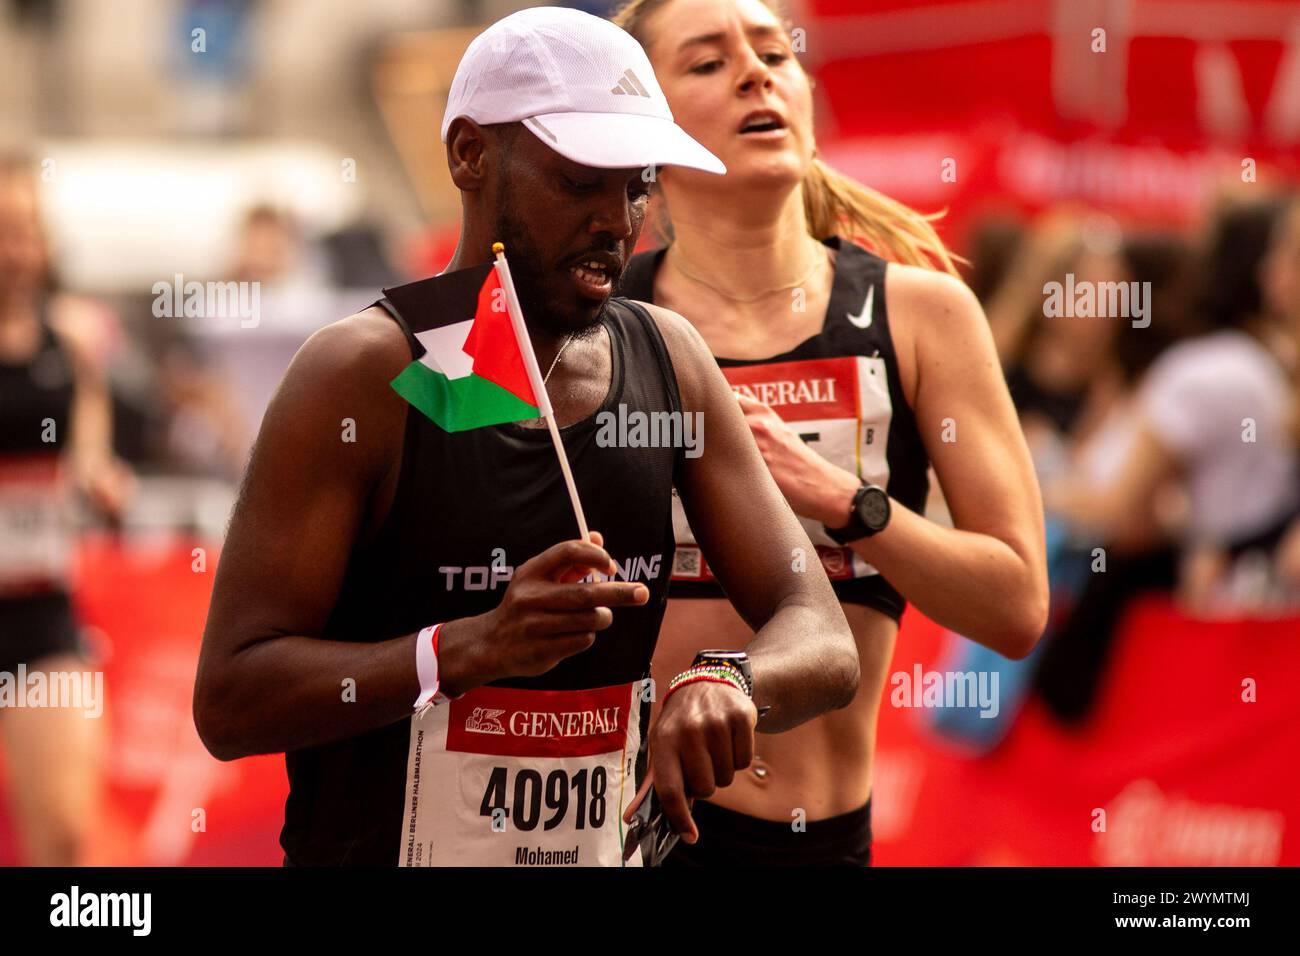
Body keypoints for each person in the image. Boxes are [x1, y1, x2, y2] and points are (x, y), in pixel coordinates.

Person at [193, 6, 858, 867]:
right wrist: (465, 648)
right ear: (470, 154)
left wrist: (727, 681)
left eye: (638, 185)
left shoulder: (670, 360)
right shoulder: (365, 374)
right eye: (581, 181)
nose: (618, 222)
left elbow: (820, 631)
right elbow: (232, 698)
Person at [612, 0, 1048, 865]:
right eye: (706, 64)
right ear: (643, 134)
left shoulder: (920, 313)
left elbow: (1016, 607)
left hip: (817, 843)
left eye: (774, 53)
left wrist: (848, 504)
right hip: (624, 838)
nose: (755, 73)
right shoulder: (602, 324)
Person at [0, 153, 132, 864]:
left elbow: (87, 449)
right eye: (0, 232)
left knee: (68, 838)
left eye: (24, 232)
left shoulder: (73, 338)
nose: (13, 252)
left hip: (39, 612)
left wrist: (100, 479)